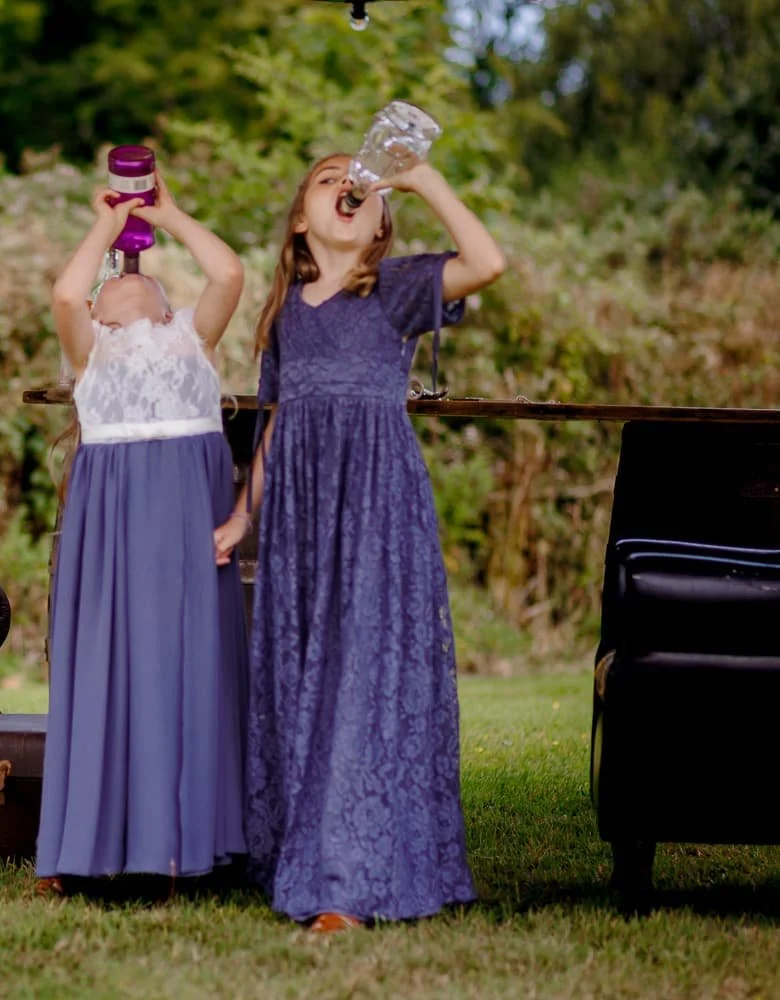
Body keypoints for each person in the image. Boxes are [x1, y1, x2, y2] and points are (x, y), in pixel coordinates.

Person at [217, 152, 506, 931]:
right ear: (300, 221)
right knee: (306, 679)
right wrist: (243, 516)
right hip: (301, 524)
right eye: (327, 177)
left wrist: (422, 180)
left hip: (378, 512)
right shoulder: (286, 314)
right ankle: (307, 848)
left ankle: (345, 882)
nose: (350, 183)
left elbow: (487, 262)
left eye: (364, 180)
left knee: (361, 678)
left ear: (380, 222)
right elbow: (276, 423)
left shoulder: (398, 289)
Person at [35, 173, 249, 891]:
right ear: (98, 311)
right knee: (112, 668)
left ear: (167, 304)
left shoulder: (193, 338)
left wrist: (168, 212)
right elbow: (65, 295)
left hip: (188, 520)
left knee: (188, 666)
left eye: (143, 281)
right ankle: (97, 844)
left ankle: (185, 845)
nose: (128, 282)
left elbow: (228, 273)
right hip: (115, 528)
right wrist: (109, 219)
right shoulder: (90, 350)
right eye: (111, 284)